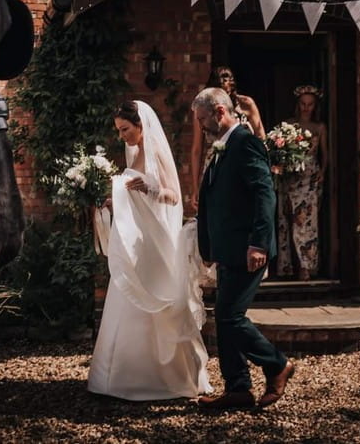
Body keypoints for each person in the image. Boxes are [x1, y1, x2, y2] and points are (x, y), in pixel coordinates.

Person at [87, 100, 212, 400]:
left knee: (155, 299)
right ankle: (117, 377)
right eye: (118, 131)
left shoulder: (155, 151)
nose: (122, 136)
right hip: (137, 241)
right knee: (126, 296)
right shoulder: (133, 152)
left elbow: (173, 196)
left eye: (126, 129)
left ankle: (165, 378)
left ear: (141, 125)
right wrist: (113, 202)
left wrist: (150, 189)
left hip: (155, 242)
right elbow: (132, 198)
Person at [193, 87, 295, 410]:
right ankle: (238, 388)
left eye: (203, 119)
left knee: (230, 315)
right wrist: (208, 246)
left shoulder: (246, 143)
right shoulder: (222, 147)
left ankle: (277, 364)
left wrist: (258, 242)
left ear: (220, 112)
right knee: (224, 317)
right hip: (227, 249)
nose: (201, 126)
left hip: (248, 248)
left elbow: (265, 195)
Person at [190, 66, 265, 210]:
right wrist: (195, 187)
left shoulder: (246, 104)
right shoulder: (203, 109)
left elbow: (260, 136)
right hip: (216, 156)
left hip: (243, 157)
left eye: (227, 90)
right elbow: (197, 149)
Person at [277, 85, 328, 281]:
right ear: (298, 105)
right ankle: (287, 266)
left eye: (310, 104)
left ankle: (306, 267)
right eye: (303, 104)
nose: (307, 108)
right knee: (286, 220)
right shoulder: (289, 124)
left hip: (310, 177)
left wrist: (322, 172)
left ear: (315, 106)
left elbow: (325, 154)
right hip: (290, 177)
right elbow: (280, 152)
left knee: (306, 222)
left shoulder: (320, 127)